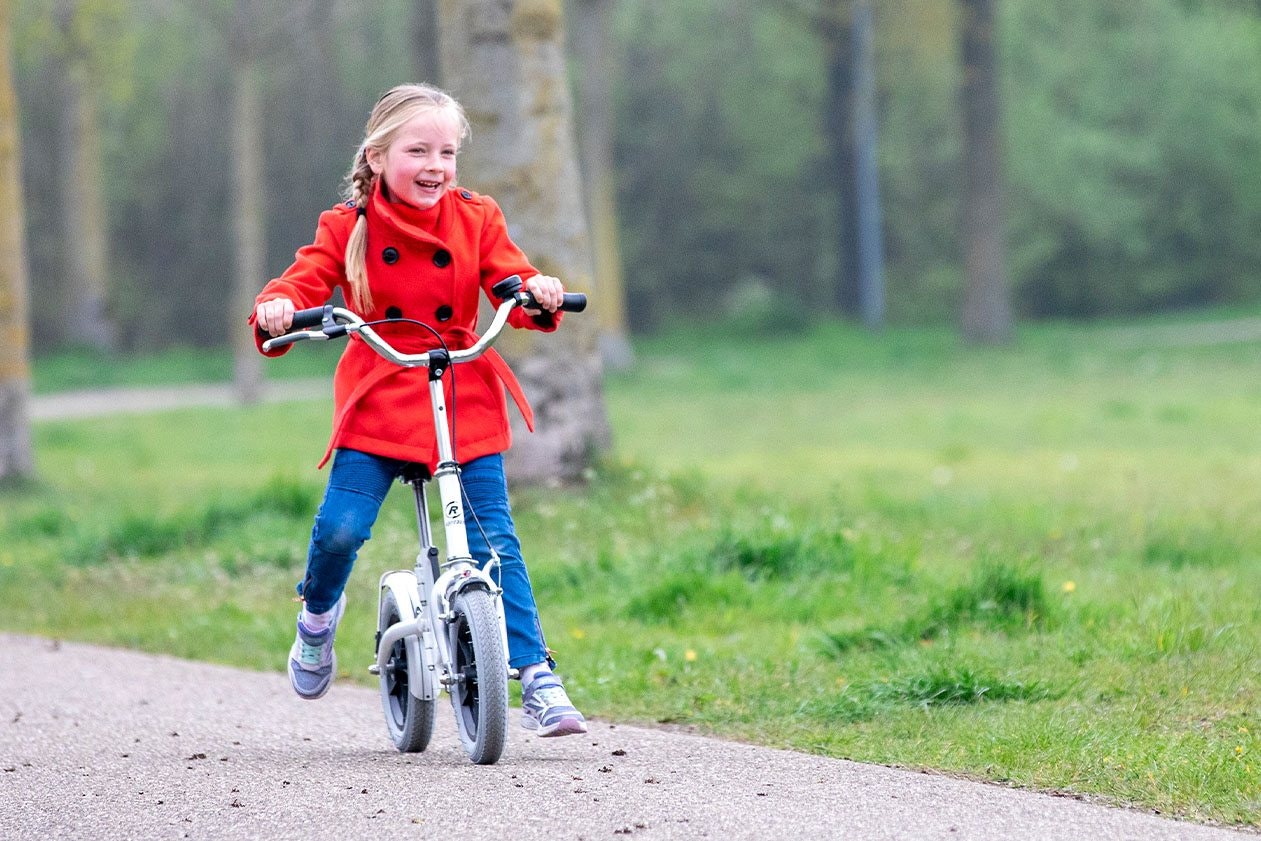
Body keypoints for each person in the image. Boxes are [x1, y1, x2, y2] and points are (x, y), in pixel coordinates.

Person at [250, 83, 586, 737]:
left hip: (459, 387)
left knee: (495, 540)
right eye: (417, 150)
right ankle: (317, 616)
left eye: (447, 152)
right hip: (381, 389)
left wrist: (534, 290)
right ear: (377, 157)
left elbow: (508, 274)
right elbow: (306, 276)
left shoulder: (476, 216)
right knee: (342, 528)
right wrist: (280, 305)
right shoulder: (347, 226)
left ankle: (537, 675)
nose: (435, 165)